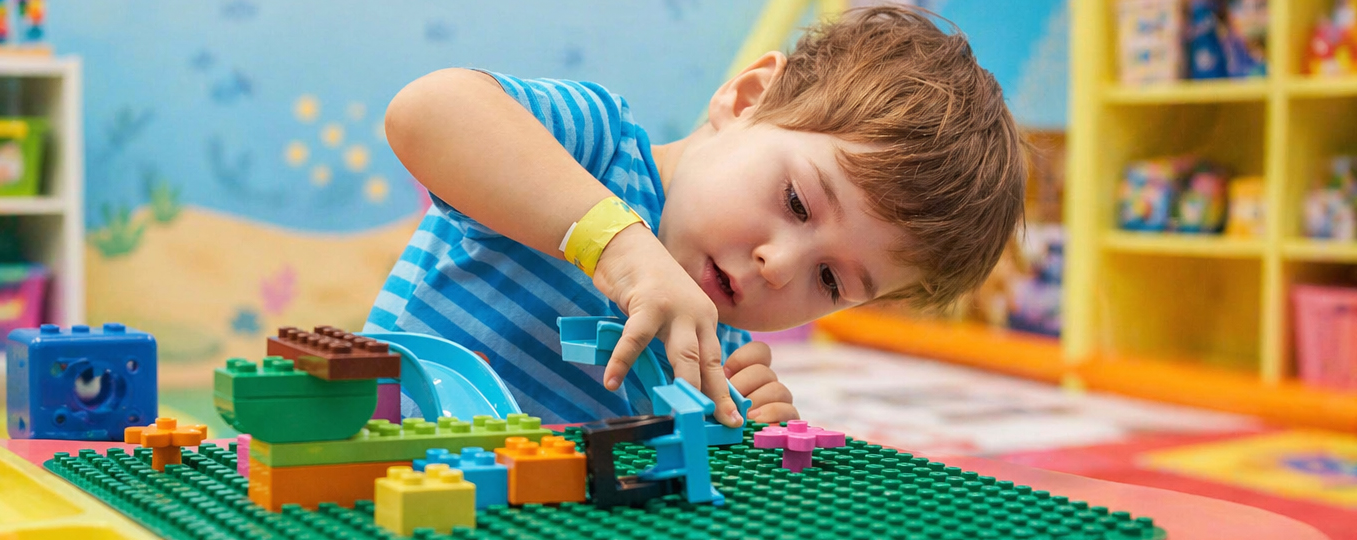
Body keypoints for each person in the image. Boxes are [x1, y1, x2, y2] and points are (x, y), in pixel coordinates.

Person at [367, 6, 1027, 428]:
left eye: (831, 281)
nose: (781, 264)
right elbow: (428, 110)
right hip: (368, 462)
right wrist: (619, 247)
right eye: (797, 201)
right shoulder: (597, 149)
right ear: (747, 98)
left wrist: (741, 432)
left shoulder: (720, 352)